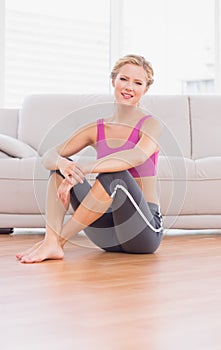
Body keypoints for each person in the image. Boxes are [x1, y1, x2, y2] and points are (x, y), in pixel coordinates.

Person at [16, 54, 164, 264]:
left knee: (115, 176)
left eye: (138, 83)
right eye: (124, 79)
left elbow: (136, 156)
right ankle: (50, 241)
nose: (129, 87)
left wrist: (84, 169)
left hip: (142, 233)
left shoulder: (151, 125)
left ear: (146, 89)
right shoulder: (96, 128)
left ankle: (57, 241)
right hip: (105, 235)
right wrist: (64, 164)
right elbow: (49, 156)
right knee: (60, 170)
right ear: (113, 80)